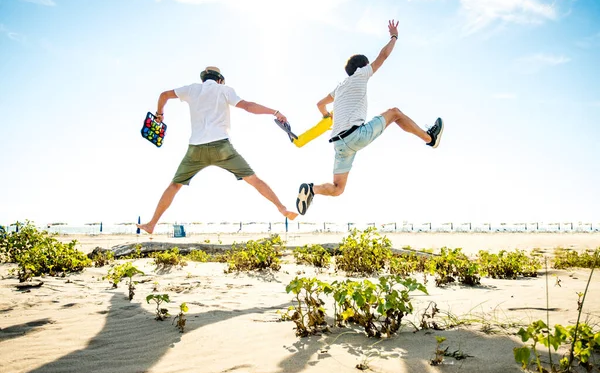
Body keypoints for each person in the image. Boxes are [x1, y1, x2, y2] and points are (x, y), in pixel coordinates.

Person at [295, 20, 444, 215]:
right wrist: (394, 36)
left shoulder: (339, 89)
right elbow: (383, 56)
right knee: (395, 113)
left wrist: (327, 118)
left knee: (338, 189)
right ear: (363, 66)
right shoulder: (361, 74)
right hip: (356, 136)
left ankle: (311, 189)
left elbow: (320, 105)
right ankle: (430, 138)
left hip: (339, 145)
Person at [137, 66, 297, 234]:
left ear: (203, 79)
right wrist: (275, 112)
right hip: (222, 148)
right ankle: (282, 208)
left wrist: (159, 114)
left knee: (175, 185)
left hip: (195, 150)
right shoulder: (224, 90)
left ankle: (152, 224)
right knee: (254, 179)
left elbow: (164, 95)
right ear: (219, 79)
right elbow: (248, 106)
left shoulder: (192, 89)